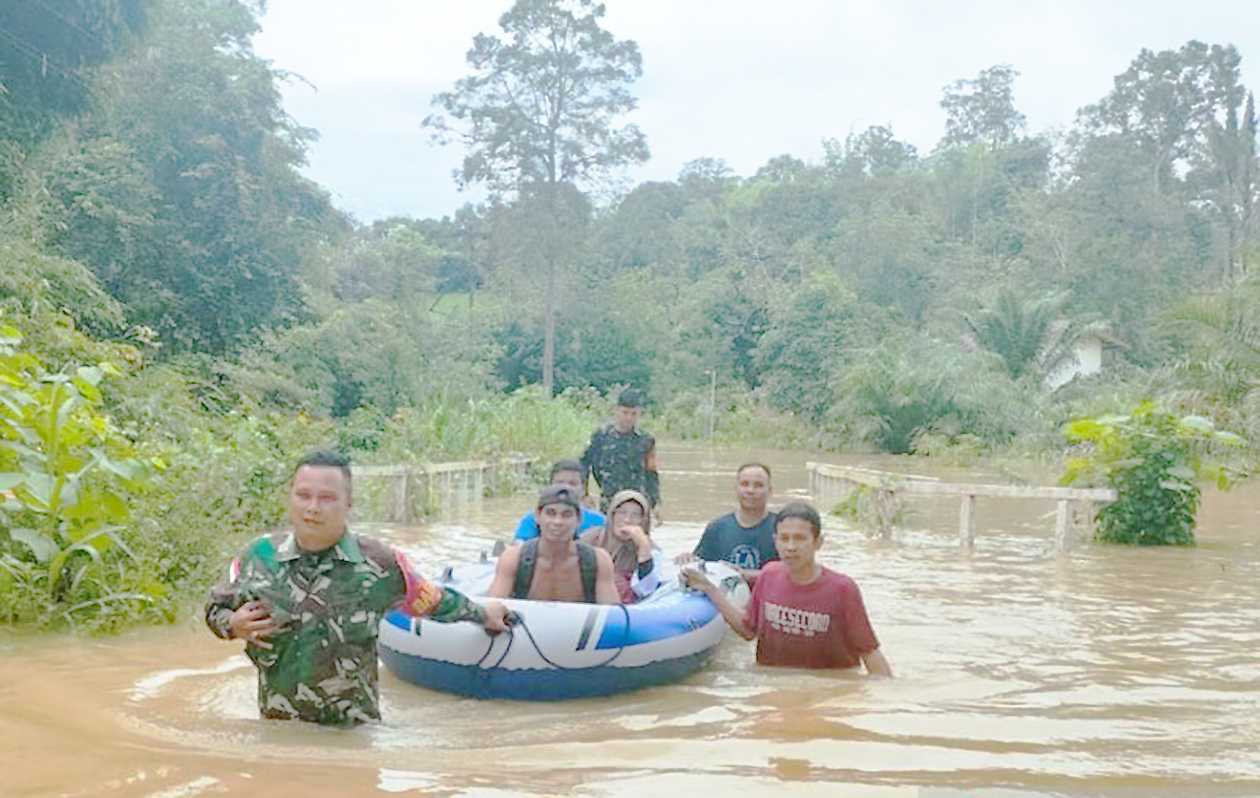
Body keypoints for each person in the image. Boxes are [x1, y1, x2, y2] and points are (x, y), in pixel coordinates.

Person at [205, 450, 510, 726]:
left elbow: (435, 602)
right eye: (303, 495)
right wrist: (232, 625)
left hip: (353, 738)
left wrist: (484, 613)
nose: (313, 508)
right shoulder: (258, 557)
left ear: (348, 504)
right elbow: (215, 609)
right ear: (290, 498)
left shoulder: (380, 565)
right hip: (276, 734)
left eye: (327, 498)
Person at [683, 501, 892, 676]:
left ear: (818, 542)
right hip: (774, 683)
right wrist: (710, 589)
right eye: (784, 538)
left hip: (825, 691)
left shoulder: (843, 589)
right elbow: (748, 630)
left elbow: (870, 652)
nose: (791, 547)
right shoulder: (768, 576)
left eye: (800, 538)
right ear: (775, 541)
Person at [488, 485, 619, 604]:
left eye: (566, 515)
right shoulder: (513, 558)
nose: (557, 522)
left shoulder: (598, 561)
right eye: (551, 513)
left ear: (578, 520)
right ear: (537, 516)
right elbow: (492, 609)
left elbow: (612, 616)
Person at [677, 463, 778, 583]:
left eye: (758, 485)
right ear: (736, 488)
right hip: (722, 598)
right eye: (745, 484)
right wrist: (688, 561)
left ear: (770, 491)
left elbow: (793, 573)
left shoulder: (782, 528)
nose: (750, 490)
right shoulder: (717, 528)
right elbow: (702, 567)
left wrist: (747, 575)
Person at [580, 387, 660, 514]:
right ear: (616, 410)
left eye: (634, 414)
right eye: (625, 412)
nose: (629, 418)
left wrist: (655, 505)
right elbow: (583, 464)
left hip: (637, 503)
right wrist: (584, 494)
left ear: (639, 413)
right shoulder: (601, 436)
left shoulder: (646, 441)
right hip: (609, 503)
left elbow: (651, 474)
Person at [579, 489, 660, 603]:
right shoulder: (589, 539)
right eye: (621, 513)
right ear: (612, 515)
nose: (627, 520)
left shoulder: (651, 550)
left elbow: (646, 590)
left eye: (635, 515)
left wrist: (643, 547)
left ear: (643, 521)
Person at [513, 459, 606, 541]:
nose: (565, 488)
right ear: (549, 487)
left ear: (583, 489)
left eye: (573, 484)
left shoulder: (599, 522)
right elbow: (519, 549)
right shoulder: (532, 519)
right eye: (559, 483)